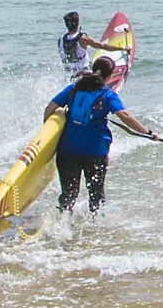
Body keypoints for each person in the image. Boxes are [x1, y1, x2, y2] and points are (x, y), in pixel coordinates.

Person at [44, 57, 153, 214]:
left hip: (67, 151)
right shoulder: (107, 95)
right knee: (96, 195)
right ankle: (96, 230)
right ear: (109, 76)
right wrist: (148, 132)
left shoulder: (73, 89)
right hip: (95, 152)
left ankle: (62, 229)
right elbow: (125, 116)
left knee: (68, 195)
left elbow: (49, 109)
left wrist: (48, 139)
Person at [57, 12, 128, 77]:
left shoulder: (61, 40)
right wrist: (123, 48)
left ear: (66, 25)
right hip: (84, 74)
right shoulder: (83, 38)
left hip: (69, 75)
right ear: (77, 23)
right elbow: (103, 46)